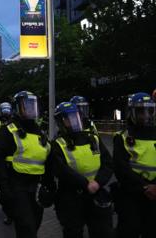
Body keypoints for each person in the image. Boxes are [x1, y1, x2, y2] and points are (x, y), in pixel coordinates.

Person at [0, 91, 54, 238]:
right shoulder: (9, 130)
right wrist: (4, 185)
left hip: (36, 188)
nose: (31, 110)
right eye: (26, 106)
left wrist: (50, 185)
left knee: (35, 224)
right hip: (17, 186)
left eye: (33, 106)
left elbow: (48, 160)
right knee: (27, 227)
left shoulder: (40, 132)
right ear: (18, 109)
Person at [52, 102, 114, 238]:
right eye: (68, 118)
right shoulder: (58, 144)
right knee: (73, 232)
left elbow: (108, 163)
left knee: (102, 231)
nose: (73, 120)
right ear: (61, 122)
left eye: (75, 117)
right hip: (71, 197)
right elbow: (62, 170)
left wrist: (98, 182)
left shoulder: (93, 138)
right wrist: (86, 184)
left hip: (96, 193)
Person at [113, 92, 156, 238]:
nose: (146, 116)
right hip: (131, 194)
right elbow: (121, 168)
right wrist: (144, 187)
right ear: (131, 113)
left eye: (149, 111)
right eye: (140, 112)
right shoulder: (123, 137)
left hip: (154, 192)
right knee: (129, 229)